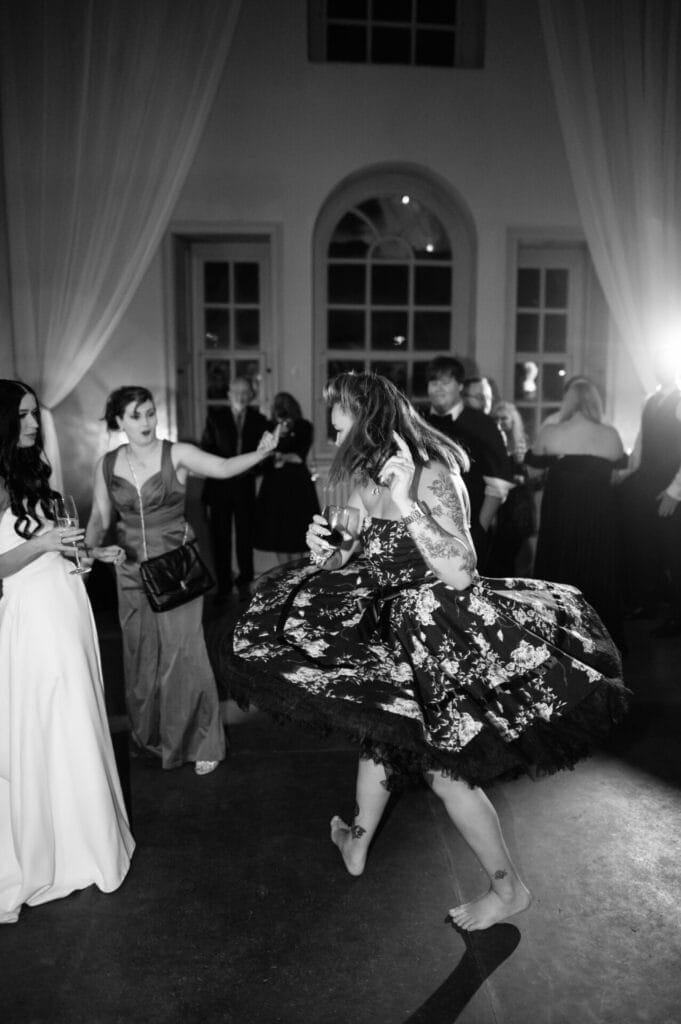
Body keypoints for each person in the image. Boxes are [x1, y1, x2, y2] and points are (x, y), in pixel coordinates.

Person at [220, 371, 627, 931]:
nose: (337, 443)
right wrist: (329, 553)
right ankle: (356, 845)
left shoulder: (434, 474)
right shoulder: (367, 477)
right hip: (392, 627)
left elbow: (461, 572)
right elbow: (364, 554)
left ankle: (508, 890)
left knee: (444, 772)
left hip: (442, 632)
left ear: (370, 423)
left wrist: (408, 502)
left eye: (342, 431)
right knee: (382, 730)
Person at [85, 386, 278, 776]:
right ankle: (151, 738)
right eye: (135, 415)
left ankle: (200, 741)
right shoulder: (106, 464)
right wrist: (93, 549)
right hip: (129, 570)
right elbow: (99, 518)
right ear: (119, 421)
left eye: (150, 413)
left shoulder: (179, 454)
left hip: (175, 569)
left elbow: (223, 468)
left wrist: (262, 452)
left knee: (183, 654)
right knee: (140, 656)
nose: (145, 422)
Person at [0, 379, 134, 925]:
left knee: (77, 720)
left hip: (66, 608)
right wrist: (44, 544)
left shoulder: (33, 473)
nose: (35, 424)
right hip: (32, 618)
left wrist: (91, 552)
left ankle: (86, 840)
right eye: (26, 416)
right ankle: (50, 853)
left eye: (35, 414)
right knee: (48, 723)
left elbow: (56, 544)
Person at [526, 378, 626, 648]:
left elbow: (533, 469)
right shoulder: (610, 434)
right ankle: (600, 635)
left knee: (560, 565)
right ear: (596, 401)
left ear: (567, 401)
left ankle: (560, 633)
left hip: (562, 514)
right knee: (598, 565)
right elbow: (619, 473)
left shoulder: (552, 432)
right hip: (599, 516)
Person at [422, 356, 512, 571]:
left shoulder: (482, 424)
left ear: (460, 385)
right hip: (426, 525)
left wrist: (479, 528)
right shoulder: (418, 421)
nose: (439, 388)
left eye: (446, 382)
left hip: (469, 525)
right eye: (434, 382)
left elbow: (499, 482)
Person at [617, 348, 681, 637]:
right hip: (647, 483)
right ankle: (651, 602)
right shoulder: (651, 400)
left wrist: (674, 491)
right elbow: (641, 445)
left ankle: (677, 615)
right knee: (648, 549)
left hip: (672, 487)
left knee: (674, 552)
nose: (660, 367)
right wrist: (629, 475)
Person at [201, 377, 268, 600]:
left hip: (245, 486)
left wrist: (251, 470)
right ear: (229, 394)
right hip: (219, 486)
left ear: (250, 395)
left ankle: (246, 584)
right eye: (236, 391)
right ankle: (223, 586)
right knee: (219, 537)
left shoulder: (260, 420)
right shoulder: (215, 417)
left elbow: (264, 456)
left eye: (245, 391)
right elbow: (207, 449)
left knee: (245, 537)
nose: (240, 395)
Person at [254, 391, 320, 564]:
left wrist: (281, 454)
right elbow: (264, 457)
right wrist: (278, 434)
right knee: (279, 535)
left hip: (296, 487)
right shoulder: (269, 428)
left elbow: (299, 456)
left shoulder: (303, 426)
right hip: (275, 488)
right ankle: (284, 575)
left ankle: (297, 576)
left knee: (298, 534)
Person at [487, 400, 536, 577]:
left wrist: (520, 475)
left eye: (504, 419)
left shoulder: (522, 445)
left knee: (519, 555)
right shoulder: (490, 442)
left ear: (513, 420)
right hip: (496, 503)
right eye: (495, 419)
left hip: (517, 506)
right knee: (498, 556)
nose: (499, 423)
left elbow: (532, 479)